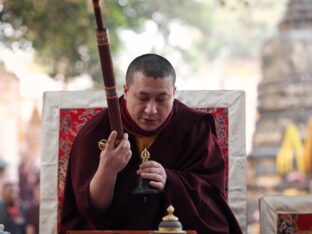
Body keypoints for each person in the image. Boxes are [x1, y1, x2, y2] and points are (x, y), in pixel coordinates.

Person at [60, 53, 242, 234]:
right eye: (143, 98)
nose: (151, 110)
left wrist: (171, 181)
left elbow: (212, 203)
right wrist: (107, 171)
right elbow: (90, 211)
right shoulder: (97, 132)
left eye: (162, 99)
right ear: (126, 90)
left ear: (174, 93)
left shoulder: (194, 129)